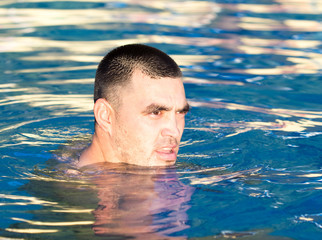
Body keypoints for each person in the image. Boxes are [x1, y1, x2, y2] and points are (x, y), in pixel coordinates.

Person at [78, 44, 190, 167]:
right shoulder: (73, 184)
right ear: (105, 116)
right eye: (156, 113)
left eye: (180, 112)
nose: (175, 131)